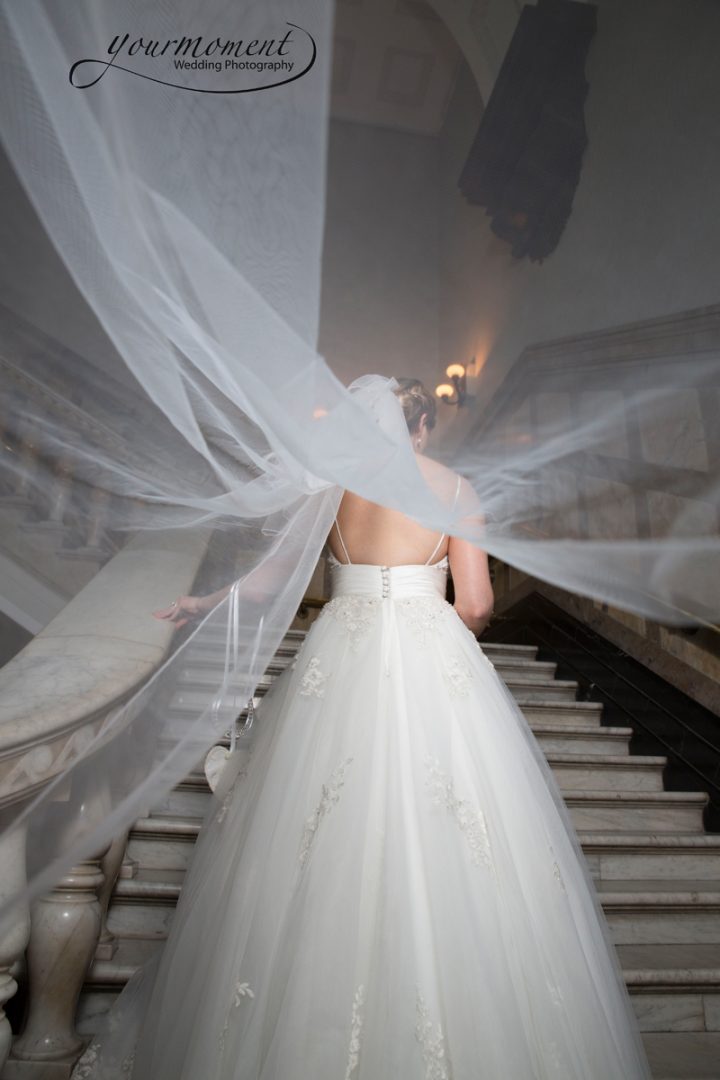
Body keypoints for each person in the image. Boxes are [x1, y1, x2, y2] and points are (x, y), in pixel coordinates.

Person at [74, 377, 652, 1079]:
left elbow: (267, 584)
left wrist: (203, 599)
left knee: (307, 836)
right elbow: (474, 603)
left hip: (337, 653)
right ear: (423, 429)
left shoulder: (333, 490)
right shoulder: (453, 489)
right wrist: (435, 606)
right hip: (426, 656)